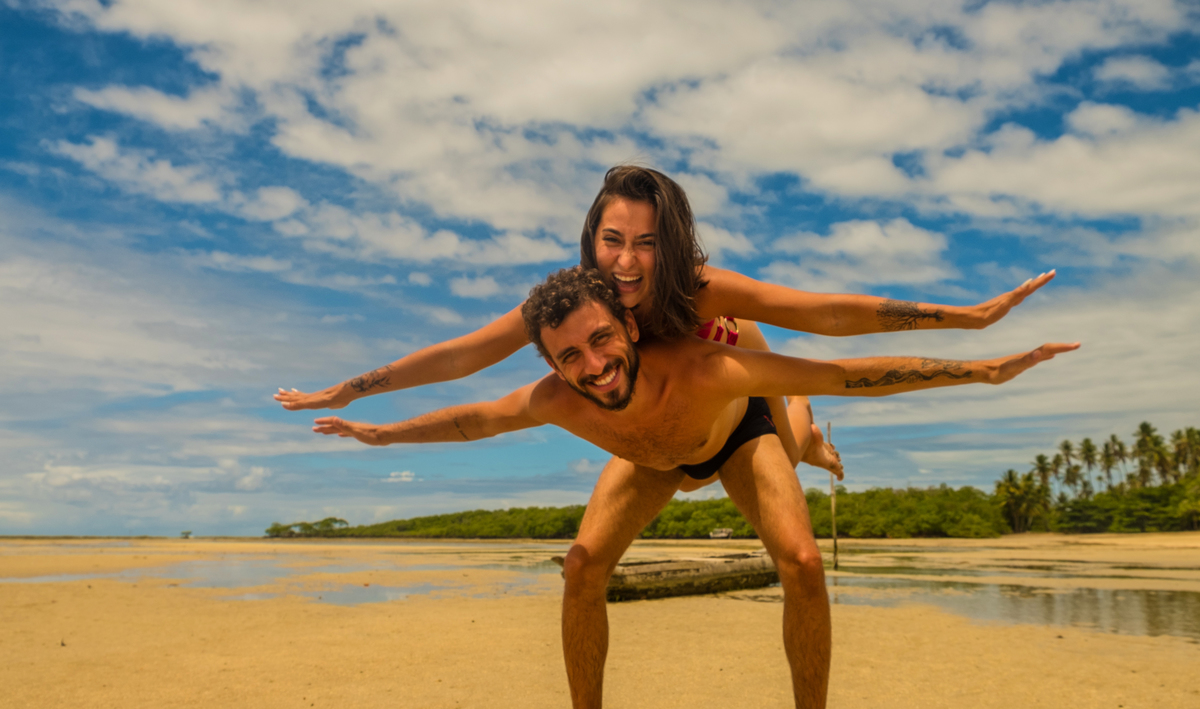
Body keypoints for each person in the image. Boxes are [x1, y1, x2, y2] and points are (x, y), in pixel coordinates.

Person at [312, 268, 1078, 709]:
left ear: (629, 326)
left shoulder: (706, 366)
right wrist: (379, 435)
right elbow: (472, 419)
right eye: (569, 356)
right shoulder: (558, 397)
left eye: (602, 340)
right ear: (550, 361)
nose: (594, 365)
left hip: (734, 434)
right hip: (654, 458)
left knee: (804, 558)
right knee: (582, 565)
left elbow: (845, 368)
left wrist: (981, 368)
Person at [276, 165, 1054, 489]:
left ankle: (813, 442)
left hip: (743, 389)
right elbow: (460, 362)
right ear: (592, 241)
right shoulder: (577, 307)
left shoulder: (700, 288)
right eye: (612, 240)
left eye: (646, 242)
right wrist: (349, 392)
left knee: (796, 432)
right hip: (667, 423)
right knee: (591, 557)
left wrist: (972, 320)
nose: (626, 261)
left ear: (671, 246)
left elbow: (829, 316)